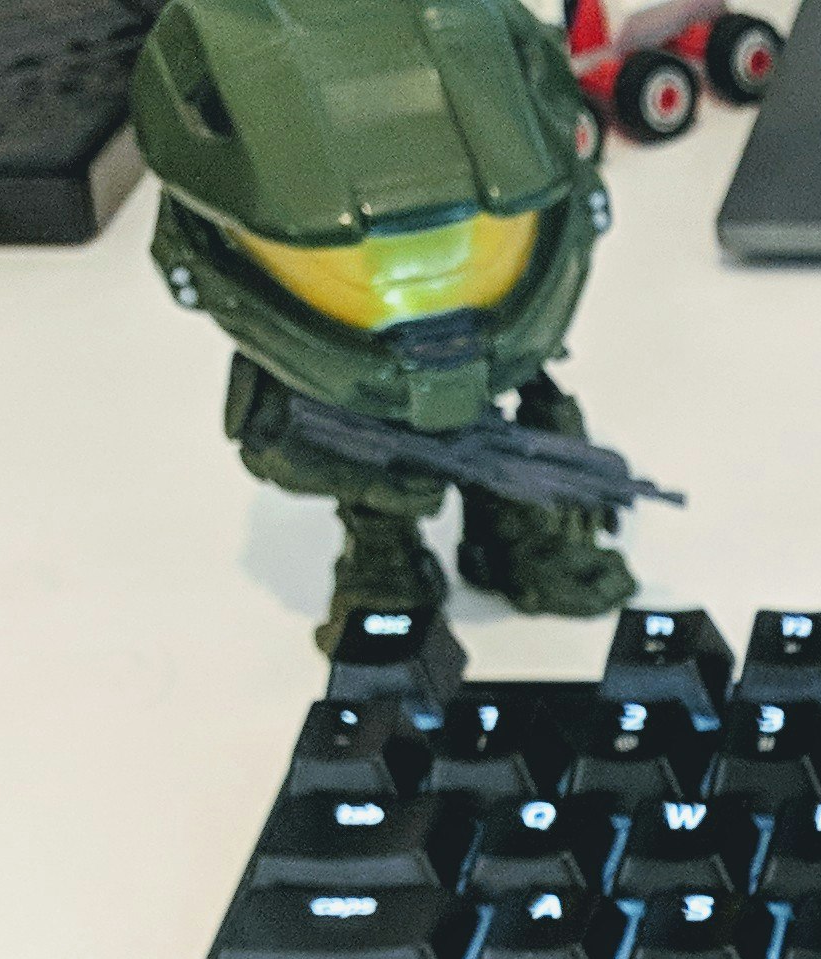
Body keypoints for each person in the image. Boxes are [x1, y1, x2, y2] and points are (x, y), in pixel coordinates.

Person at [134, 0, 657, 646]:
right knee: (377, 501)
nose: (414, 295)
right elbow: (278, 446)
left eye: (474, 249)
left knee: (514, 461)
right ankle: (385, 555)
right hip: (355, 426)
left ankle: (516, 534)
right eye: (348, 270)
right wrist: (367, 482)